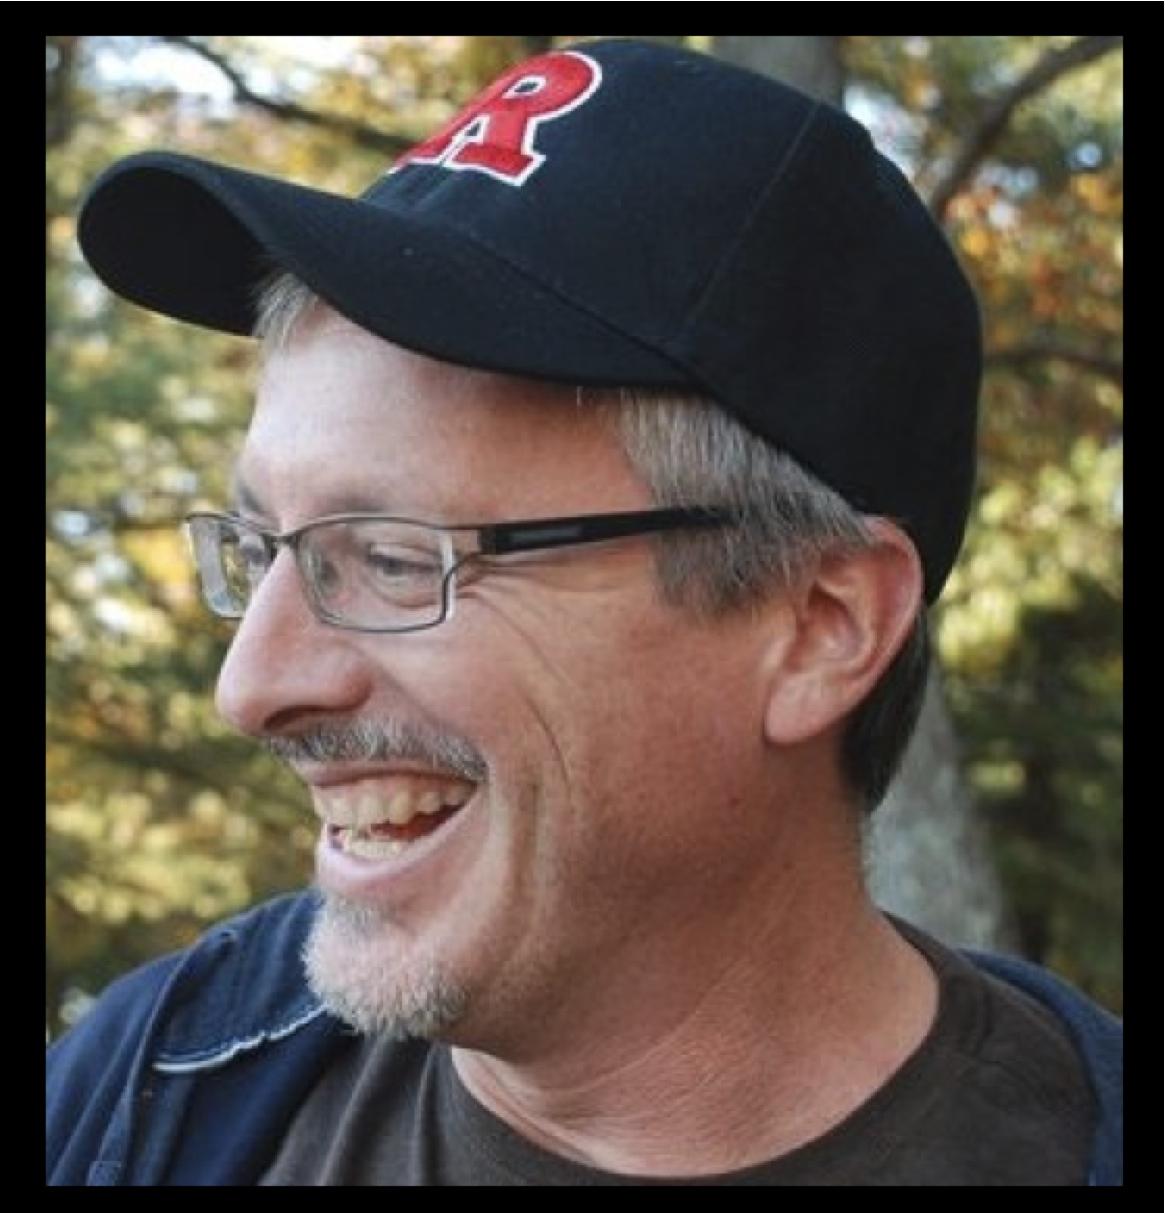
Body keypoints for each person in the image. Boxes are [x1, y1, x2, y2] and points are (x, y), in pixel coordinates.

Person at [47, 38, 1121, 1186]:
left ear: (820, 625)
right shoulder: (140, 1095)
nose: (253, 686)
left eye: (397, 557)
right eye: (262, 547)